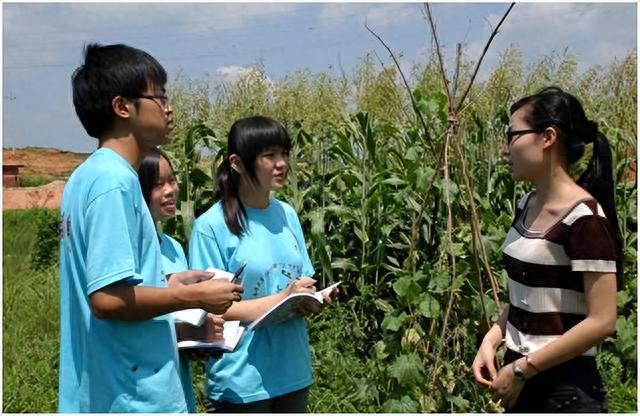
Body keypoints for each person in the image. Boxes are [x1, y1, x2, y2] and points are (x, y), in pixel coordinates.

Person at [58, 43, 243, 412]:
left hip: (108, 388)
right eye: (158, 96)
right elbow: (107, 299)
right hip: (132, 395)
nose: (169, 107)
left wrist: (171, 283)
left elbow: (111, 283)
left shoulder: (86, 177)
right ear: (122, 106)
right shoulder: (115, 182)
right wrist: (196, 298)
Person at [472, 86, 622, 412]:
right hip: (521, 379)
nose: (506, 147)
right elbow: (529, 294)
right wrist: (492, 339)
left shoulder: (584, 219)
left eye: (513, 135)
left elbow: (603, 320)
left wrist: (525, 369)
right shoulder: (527, 204)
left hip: (564, 391)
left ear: (547, 137)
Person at [189, 116, 337, 413]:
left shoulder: (287, 214)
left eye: (284, 154)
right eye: (269, 155)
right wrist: (283, 298)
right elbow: (213, 308)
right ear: (237, 163)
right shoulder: (212, 226)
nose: (281, 163)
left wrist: (310, 299)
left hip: (292, 371)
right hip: (241, 380)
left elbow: (301, 280)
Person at [138, 148, 227, 412]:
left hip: (177, 386)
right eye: (157, 184)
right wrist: (187, 332)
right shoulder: (129, 251)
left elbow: (185, 314)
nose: (170, 190)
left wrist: (204, 333)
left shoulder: (174, 247)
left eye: (172, 180)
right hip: (144, 389)